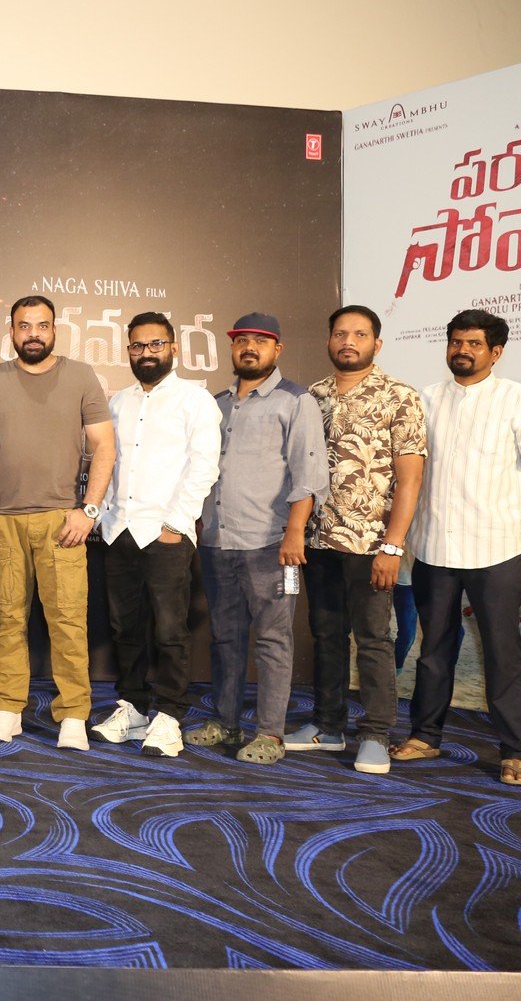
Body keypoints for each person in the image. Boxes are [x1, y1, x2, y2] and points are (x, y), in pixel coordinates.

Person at [394, 309, 521, 787]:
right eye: (456, 342)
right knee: (434, 648)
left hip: (495, 547)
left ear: (495, 352)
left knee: (503, 652)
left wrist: (499, 496)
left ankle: (515, 751)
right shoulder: (425, 400)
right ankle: (425, 735)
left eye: (474, 343)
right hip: (434, 545)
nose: (462, 350)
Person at [283, 305, 425, 774]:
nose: (349, 341)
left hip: (371, 544)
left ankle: (377, 733)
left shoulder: (399, 396)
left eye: (360, 334)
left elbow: (410, 479)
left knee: (373, 639)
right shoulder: (312, 397)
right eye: (341, 333)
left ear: (376, 344)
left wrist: (393, 545)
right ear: (329, 340)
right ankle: (328, 725)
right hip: (319, 539)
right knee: (326, 635)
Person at [0, 295, 115, 750]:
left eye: (42, 325)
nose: (33, 334)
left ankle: (73, 715)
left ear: (55, 330)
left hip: (63, 522)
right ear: (11, 331)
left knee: (69, 621)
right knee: (9, 618)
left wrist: (89, 510)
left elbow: (105, 446)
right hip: (3, 522)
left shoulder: (81, 376)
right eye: (24, 326)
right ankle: (7, 708)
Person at [185, 312, 328, 764]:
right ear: (232, 347)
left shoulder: (296, 400)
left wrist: (295, 533)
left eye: (260, 341)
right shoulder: (217, 404)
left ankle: (270, 734)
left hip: (270, 543)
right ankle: (226, 723)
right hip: (218, 541)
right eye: (242, 340)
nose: (250, 347)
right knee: (225, 639)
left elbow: (309, 475)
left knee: (272, 641)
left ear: (277, 349)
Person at [91, 311, 220, 758]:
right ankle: (132, 707)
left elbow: (204, 466)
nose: (146, 353)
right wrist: (104, 515)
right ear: (128, 350)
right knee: (124, 627)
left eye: (155, 344)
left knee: (169, 630)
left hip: (166, 533)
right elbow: (106, 461)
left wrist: (175, 524)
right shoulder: (117, 402)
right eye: (137, 346)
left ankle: (169, 715)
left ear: (173, 348)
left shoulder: (195, 400)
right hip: (119, 531)